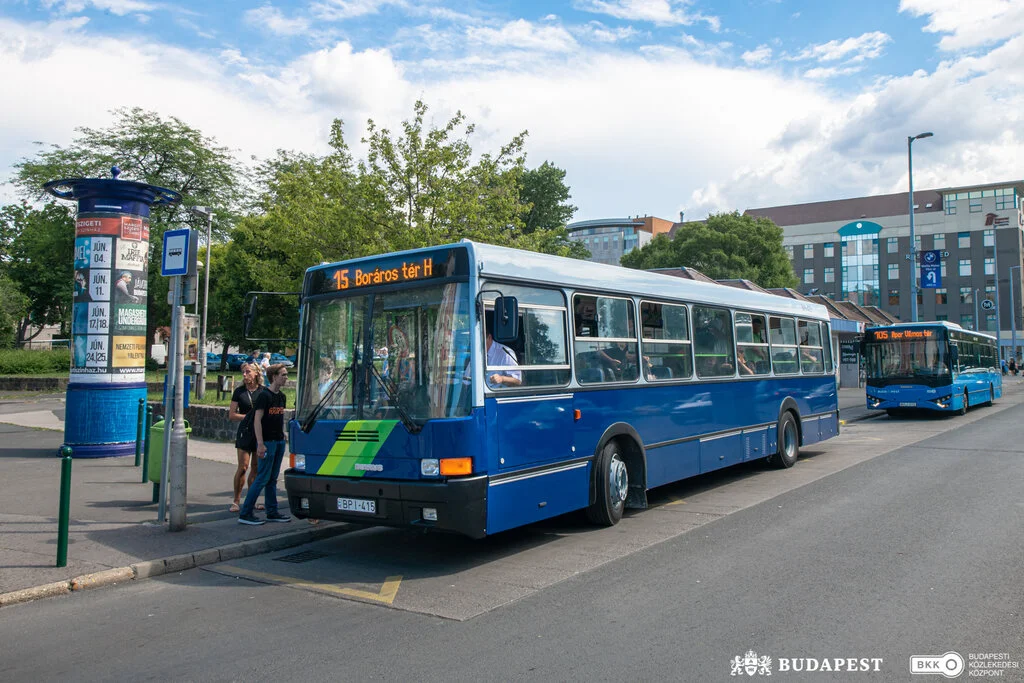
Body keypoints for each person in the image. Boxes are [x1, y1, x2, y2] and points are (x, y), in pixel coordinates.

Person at [238, 363, 291, 525]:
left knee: (272, 479)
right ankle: (246, 512)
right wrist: (260, 443)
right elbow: (257, 420)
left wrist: (282, 434)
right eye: (283, 374)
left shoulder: (281, 397)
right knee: (262, 477)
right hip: (267, 442)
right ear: (274, 376)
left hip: (279, 441)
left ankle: (272, 512)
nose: (286, 377)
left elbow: (278, 418)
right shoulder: (264, 396)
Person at [228, 362, 264, 513]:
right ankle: (236, 500)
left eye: (248, 372)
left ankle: (252, 499)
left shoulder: (263, 391)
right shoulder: (239, 392)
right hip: (245, 432)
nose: (244, 375)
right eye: (243, 372)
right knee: (243, 467)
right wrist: (248, 417)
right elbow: (232, 414)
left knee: (255, 468)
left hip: (259, 433)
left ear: (256, 373)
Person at [485, 311, 521, 388]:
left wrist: (502, 378)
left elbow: (518, 381)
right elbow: (466, 379)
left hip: (495, 395)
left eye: (481, 342)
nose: (479, 345)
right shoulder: (476, 353)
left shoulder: (505, 352)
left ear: (489, 338)